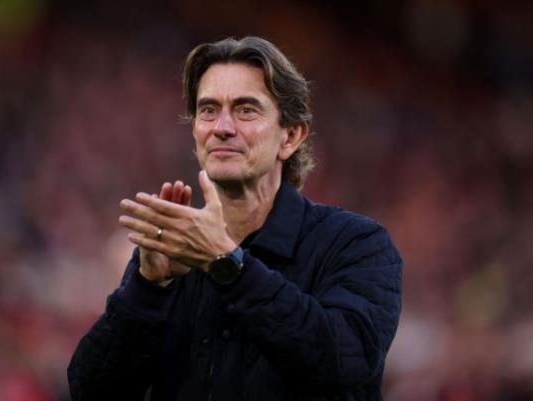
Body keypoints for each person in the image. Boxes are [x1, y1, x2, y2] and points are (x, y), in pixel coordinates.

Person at [67, 36, 402, 401]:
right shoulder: (173, 250)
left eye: (245, 110)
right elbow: (91, 391)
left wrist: (227, 264)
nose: (222, 127)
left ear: (290, 136)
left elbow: (343, 364)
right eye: (208, 110)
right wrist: (148, 288)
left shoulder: (357, 245)